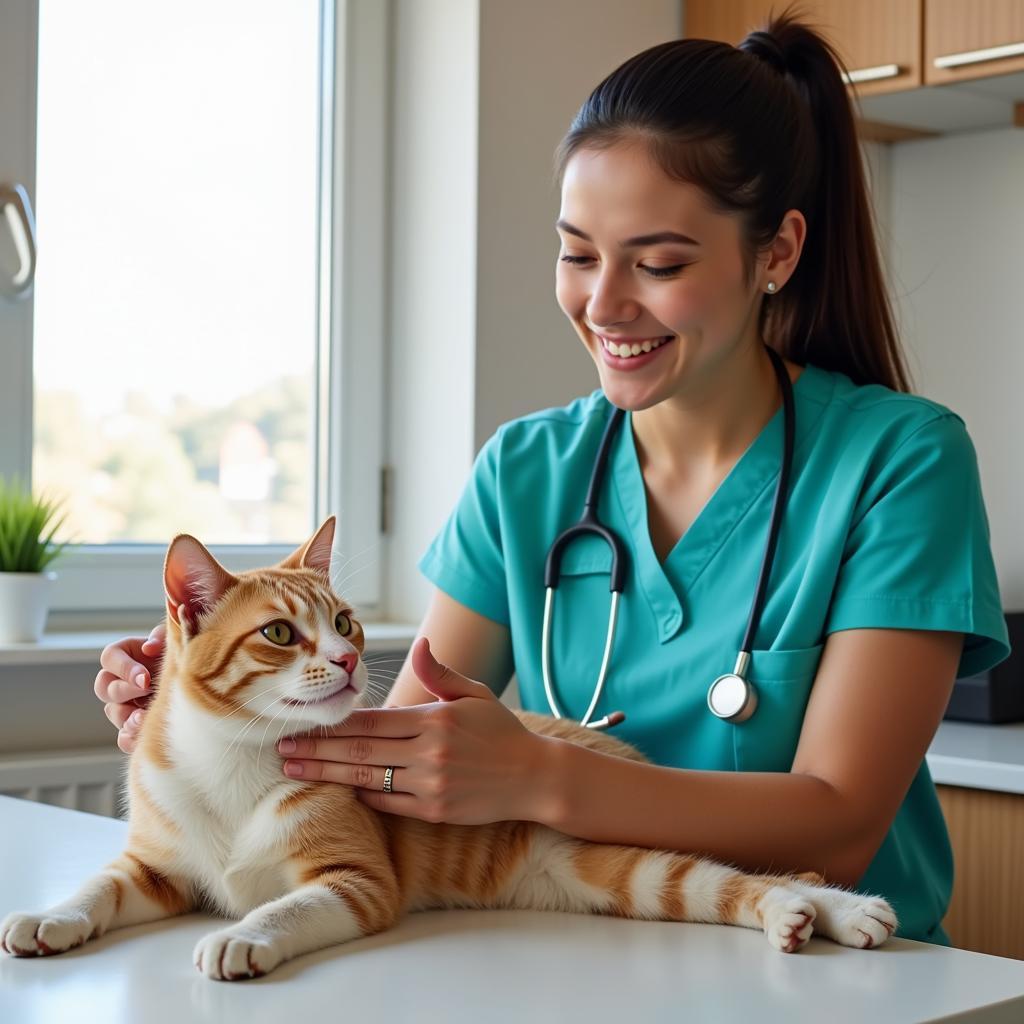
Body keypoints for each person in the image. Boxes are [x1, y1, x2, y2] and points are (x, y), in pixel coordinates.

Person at [95, 13, 1010, 944]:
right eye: (577, 254)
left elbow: (843, 829)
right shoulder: (527, 472)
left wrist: (539, 775)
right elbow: (387, 768)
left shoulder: (901, 463)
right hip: (575, 962)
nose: (603, 303)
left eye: (657, 263)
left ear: (775, 252)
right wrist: (211, 706)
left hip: (831, 975)